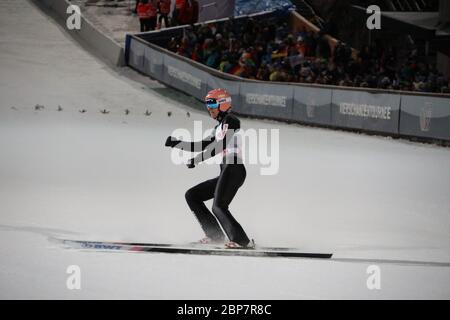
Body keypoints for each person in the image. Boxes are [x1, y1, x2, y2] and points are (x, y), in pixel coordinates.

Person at [165, 89, 253, 249]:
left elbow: (221, 145)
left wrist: (198, 159)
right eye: (207, 104)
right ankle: (215, 236)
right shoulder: (218, 127)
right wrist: (177, 143)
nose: (209, 108)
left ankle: (242, 241)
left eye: (212, 103)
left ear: (223, 103)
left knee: (218, 206)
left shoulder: (231, 120)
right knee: (192, 195)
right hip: (226, 170)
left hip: (234, 169)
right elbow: (201, 144)